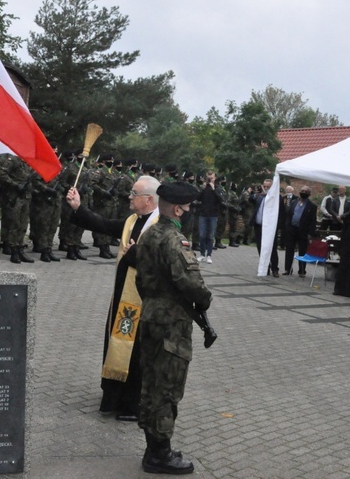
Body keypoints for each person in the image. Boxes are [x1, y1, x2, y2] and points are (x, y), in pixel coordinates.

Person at [66, 175, 161, 421]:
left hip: (146, 300)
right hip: (123, 296)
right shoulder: (132, 220)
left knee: (138, 350)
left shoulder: (163, 225)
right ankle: (114, 397)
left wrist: (135, 253)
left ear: (149, 200)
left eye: (134, 193)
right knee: (118, 343)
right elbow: (105, 225)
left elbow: (161, 259)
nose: (129, 197)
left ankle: (134, 404)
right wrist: (78, 207)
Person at [135, 181, 212, 475]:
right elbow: (191, 284)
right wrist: (205, 299)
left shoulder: (148, 235)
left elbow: (141, 280)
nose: (190, 212)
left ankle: (153, 446)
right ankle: (160, 454)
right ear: (178, 209)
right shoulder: (173, 240)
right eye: (189, 207)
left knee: (151, 383)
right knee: (167, 388)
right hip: (171, 324)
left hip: (151, 314)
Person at [0, 154, 36, 264]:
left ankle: (20, 249)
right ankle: (14, 251)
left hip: (25, 197)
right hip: (15, 197)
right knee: (14, 224)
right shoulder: (13, 160)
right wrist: (15, 185)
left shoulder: (27, 161)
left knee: (23, 225)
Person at [283, 185, 318, 277]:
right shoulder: (294, 202)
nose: (303, 193)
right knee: (289, 250)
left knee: (302, 251)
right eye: (302, 191)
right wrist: (287, 226)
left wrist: (311, 233)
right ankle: (288, 269)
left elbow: (313, 221)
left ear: (309, 194)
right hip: (292, 229)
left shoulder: (312, 206)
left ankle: (302, 270)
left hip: (303, 231)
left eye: (305, 191)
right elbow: (289, 215)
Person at [249, 179, 282, 277]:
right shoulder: (259, 197)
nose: (266, 188)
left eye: (268, 186)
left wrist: (268, 194)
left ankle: (275, 268)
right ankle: (265, 268)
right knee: (260, 247)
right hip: (259, 225)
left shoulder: (276, 197)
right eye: (264, 186)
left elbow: (279, 206)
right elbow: (251, 199)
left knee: (272, 248)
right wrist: (253, 192)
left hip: (270, 228)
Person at [196, 171, 222, 263]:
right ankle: (202, 254)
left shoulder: (218, 188)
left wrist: (214, 189)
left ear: (215, 178)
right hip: (203, 214)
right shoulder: (204, 188)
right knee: (202, 235)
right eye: (209, 178)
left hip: (213, 215)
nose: (210, 179)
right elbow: (198, 198)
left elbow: (220, 199)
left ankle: (209, 255)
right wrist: (202, 188)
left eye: (212, 178)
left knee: (210, 236)